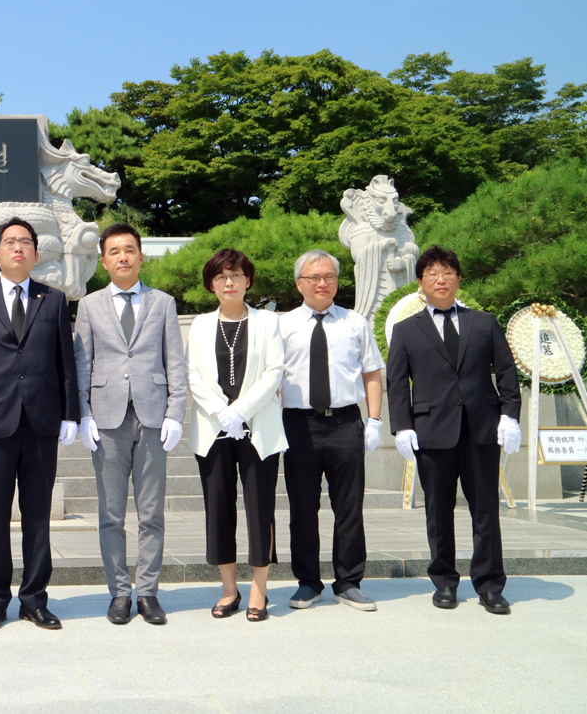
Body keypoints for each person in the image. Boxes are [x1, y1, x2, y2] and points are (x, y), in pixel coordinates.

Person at [0, 217, 80, 631]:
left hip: (42, 422)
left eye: (25, 242)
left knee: (37, 515)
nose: (18, 248)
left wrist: (70, 414)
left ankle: (34, 600)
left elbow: (65, 362)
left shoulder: (54, 300)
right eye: (10, 242)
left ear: (36, 254)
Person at [386, 245, 522, 614]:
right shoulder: (405, 330)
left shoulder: (484, 323)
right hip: (432, 432)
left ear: (459, 279)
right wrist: (402, 427)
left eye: (447, 272)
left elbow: (506, 372)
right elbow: (396, 383)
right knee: (438, 511)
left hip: (481, 429)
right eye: (432, 274)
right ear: (420, 282)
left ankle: (490, 585)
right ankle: (444, 581)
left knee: (486, 510)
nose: (440, 279)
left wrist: (510, 415)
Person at [72, 223, 188, 626]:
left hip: (153, 416)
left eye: (129, 250)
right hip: (107, 419)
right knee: (111, 513)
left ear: (141, 256)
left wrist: (176, 412)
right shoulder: (89, 305)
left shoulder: (162, 302)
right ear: (103, 262)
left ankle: (148, 592)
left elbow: (175, 361)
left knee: (151, 512)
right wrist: (83, 413)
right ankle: (120, 591)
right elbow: (82, 363)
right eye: (114, 251)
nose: (123, 257)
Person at [279, 249, 384, 613]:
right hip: (298, 424)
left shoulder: (355, 323)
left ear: (338, 282)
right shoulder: (283, 325)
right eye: (314, 277)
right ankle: (308, 582)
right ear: (299, 283)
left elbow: (372, 372)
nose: (322, 283)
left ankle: (349, 582)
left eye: (329, 277)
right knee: (303, 508)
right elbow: (271, 378)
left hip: (344, 422)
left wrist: (374, 420)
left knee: (349, 507)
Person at [186, 248, 286, 622]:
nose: (229, 282)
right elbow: (192, 374)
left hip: (258, 428)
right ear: (211, 284)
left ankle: (259, 589)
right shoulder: (200, 325)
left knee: (260, 508)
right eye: (221, 276)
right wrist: (220, 412)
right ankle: (229, 589)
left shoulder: (267, 322)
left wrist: (240, 411)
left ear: (248, 281)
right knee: (218, 509)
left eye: (236, 275)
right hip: (214, 431)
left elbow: (274, 371)